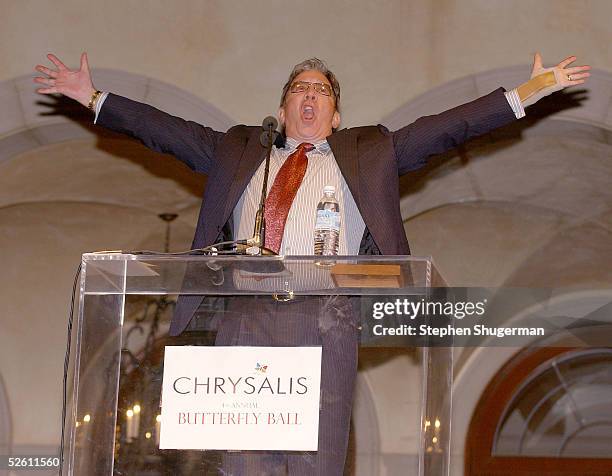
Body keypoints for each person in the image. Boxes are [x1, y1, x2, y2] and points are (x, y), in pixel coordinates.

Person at [35, 53, 590, 475]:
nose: (309, 96)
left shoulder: (371, 152)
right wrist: (94, 98)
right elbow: (165, 131)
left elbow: (452, 126)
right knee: (243, 461)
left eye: (320, 90)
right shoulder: (236, 151)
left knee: (316, 461)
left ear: (335, 113)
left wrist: (528, 91)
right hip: (243, 317)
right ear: (282, 110)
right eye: (299, 87)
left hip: (326, 319)